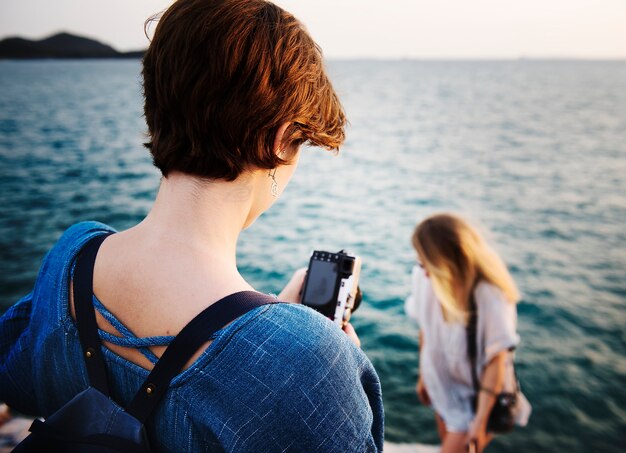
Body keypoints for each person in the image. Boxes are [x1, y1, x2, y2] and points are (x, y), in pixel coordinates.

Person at [0, 0, 384, 451]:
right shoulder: (310, 366)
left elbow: (17, 375)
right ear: (281, 140)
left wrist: (275, 326)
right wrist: (308, 345)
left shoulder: (71, 258)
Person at [405, 213, 529, 453]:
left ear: (448, 260)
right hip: (443, 392)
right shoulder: (425, 278)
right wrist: (424, 376)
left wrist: (480, 422)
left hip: (476, 403)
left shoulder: (489, 295)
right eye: (421, 262)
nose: (424, 271)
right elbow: (426, 329)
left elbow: (497, 359)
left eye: (428, 263)